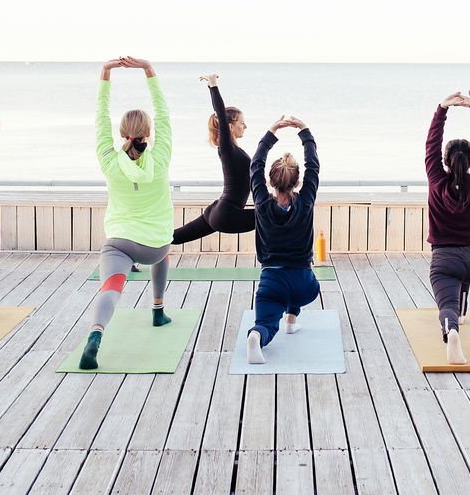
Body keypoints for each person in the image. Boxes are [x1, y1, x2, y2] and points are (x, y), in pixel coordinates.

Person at [80, 57, 174, 370]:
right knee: (163, 253)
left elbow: (100, 120)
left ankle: (96, 334)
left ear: (122, 134)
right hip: (156, 245)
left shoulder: (109, 160)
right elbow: (164, 114)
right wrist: (149, 71)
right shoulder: (159, 158)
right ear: (148, 133)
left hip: (119, 243)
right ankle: (158, 311)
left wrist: (105, 74)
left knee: (111, 287)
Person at [426, 90, 470, 365]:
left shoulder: (436, 180)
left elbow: (431, 144)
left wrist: (442, 108)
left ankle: (451, 330)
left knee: (446, 306)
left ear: (444, 161)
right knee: (461, 277)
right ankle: (462, 311)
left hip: (444, 260)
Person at [245, 115, 320, 363]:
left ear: (270, 181)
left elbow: (255, 165)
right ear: (298, 181)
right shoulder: (305, 201)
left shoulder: (262, 203)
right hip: (304, 284)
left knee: (266, 323)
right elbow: (313, 166)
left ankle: (257, 335)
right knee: (298, 293)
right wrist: (304, 130)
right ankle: (291, 319)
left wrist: (272, 131)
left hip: (271, 282)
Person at [171, 74, 256, 247]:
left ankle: (132, 249)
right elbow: (220, 113)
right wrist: (213, 85)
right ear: (230, 127)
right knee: (272, 216)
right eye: (242, 122)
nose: (245, 126)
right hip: (227, 214)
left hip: (218, 210)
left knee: (174, 237)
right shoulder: (227, 149)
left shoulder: (233, 150)